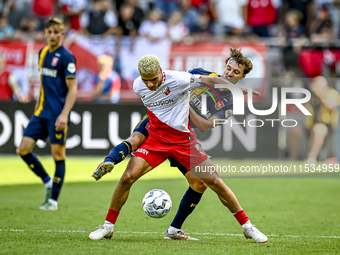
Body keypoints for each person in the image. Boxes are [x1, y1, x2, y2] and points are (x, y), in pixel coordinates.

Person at [89, 54, 268, 243]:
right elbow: (173, 82)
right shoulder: (198, 74)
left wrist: (184, 101)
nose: (230, 73)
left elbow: (205, 125)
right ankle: (108, 221)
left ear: (242, 76)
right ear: (225, 66)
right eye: (229, 69)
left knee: (205, 183)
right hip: (158, 127)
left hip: (183, 137)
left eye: (236, 73)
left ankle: (241, 227)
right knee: (131, 158)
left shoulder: (234, 101)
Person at [16, 17, 78, 211]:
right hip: (41, 112)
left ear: (61, 34)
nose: (52, 35)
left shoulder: (67, 57)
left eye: (56, 32)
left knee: (57, 154)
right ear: (45, 33)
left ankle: (53, 201)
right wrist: (36, 108)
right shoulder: (42, 53)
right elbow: (44, 85)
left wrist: (64, 114)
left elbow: (73, 89)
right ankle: (48, 181)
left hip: (57, 114)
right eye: (49, 32)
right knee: (22, 149)